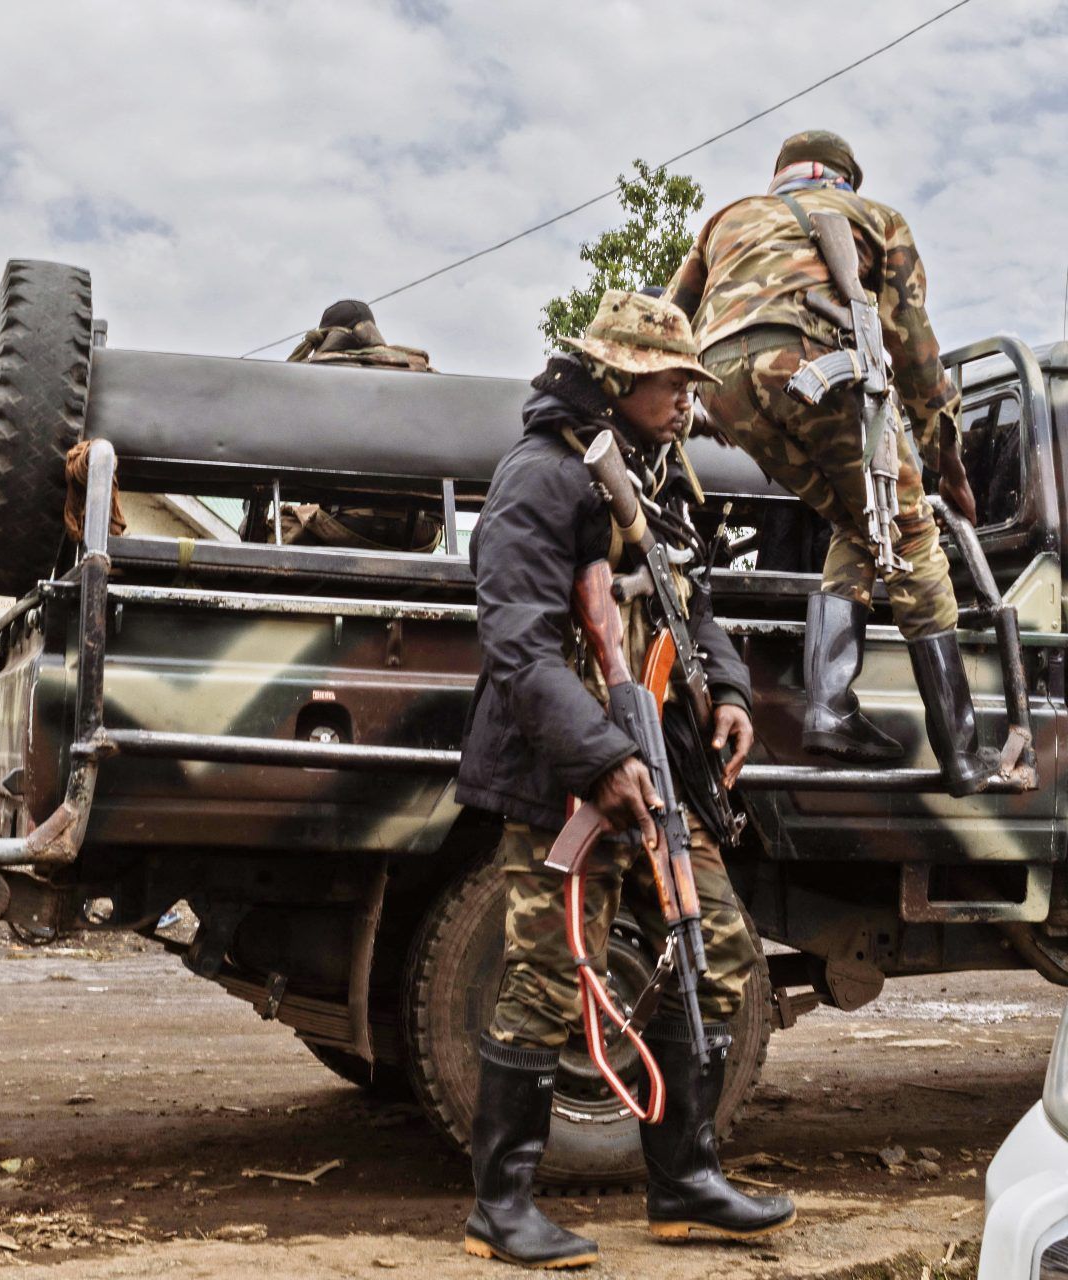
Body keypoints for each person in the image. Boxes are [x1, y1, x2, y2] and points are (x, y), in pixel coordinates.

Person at [457, 291, 793, 1268]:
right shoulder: (541, 478)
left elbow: (698, 604)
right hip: (564, 777)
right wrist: (600, 761)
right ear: (616, 379)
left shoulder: (653, 478)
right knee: (550, 978)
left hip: (664, 767)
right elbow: (518, 644)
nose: (689, 400)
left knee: (717, 949)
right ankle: (500, 1207)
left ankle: (685, 1183)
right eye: (672, 382)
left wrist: (726, 693)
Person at [667, 130, 998, 796]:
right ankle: (963, 754)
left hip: (720, 385)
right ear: (846, 179)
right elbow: (913, 348)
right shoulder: (875, 219)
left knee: (856, 520)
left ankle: (831, 707)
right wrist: (947, 458)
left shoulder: (726, 220)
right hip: (813, 367)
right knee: (911, 540)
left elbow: (667, 314)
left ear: (781, 177)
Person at [278, 299, 443, 552]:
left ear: (325, 338)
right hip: (419, 533)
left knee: (265, 529)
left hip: (344, 525)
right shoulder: (422, 375)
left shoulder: (316, 376)